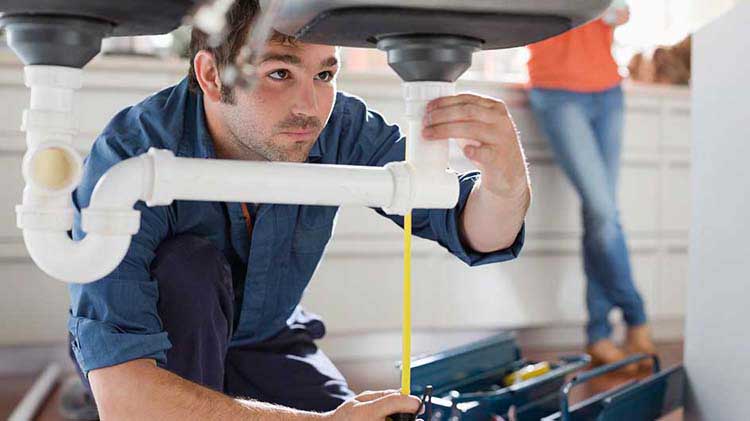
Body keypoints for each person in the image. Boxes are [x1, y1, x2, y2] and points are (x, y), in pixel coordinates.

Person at [66, 1, 530, 419]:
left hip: (267, 340)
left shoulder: (339, 126)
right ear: (210, 76)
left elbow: (475, 229)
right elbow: (125, 397)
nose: (310, 108)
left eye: (324, 75)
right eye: (280, 73)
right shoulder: (131, 156)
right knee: (189, 266)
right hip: (157, 353)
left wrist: (506, 184)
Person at [526, 4, 656, 369]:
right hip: (557, 92)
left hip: (608, 91)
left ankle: (599, 334)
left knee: (599, 216)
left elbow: (621, 12)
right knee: (603, 211)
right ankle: (637, 317)